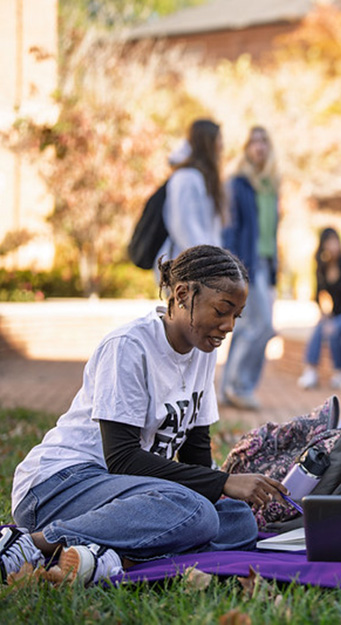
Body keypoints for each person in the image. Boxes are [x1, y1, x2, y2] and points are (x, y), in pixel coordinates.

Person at [1, 246, 289, 587]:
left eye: (236, 317)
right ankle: (28, 544)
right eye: (222, 311)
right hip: (58, 486)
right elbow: (122, 458)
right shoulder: (129, 346)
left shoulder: (202, 352)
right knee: (194, 512)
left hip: (131, 495)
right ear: (183, 294)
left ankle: (105, 557)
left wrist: (224, 489)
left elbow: (196, 454)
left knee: (238, 520)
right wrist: (222, 482)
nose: (227, 327)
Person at [220, 126, 282, 410]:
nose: (258, 147)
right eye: (253, 142)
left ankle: (227, 388)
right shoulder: (238, 184)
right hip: (247, 263)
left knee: (247, 328)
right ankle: (240, 386)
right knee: (263, 326)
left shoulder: (271, 185)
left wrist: (275, 267)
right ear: (246, 148)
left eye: (263, 142)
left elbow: (272, 231)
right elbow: (232, 228)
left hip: (266, 264)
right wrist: (231, 267)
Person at [297, 227, 341, 390]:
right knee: (320, 327)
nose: (333, 245)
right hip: (335, 315)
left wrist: (335, 318)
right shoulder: (322, 268)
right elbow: (317, 295)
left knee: (333, 328)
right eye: (329, 242)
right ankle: (311, 370)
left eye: (335, 241)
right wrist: (324, 314)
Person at [157, 119, 227, 264]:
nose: (222, 145)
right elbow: (184, 226)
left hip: (201, 267)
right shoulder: (186, 178)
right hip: (187, 268)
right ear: (207, 143)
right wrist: (207, 262)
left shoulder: (204, 177)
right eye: (219, 139)